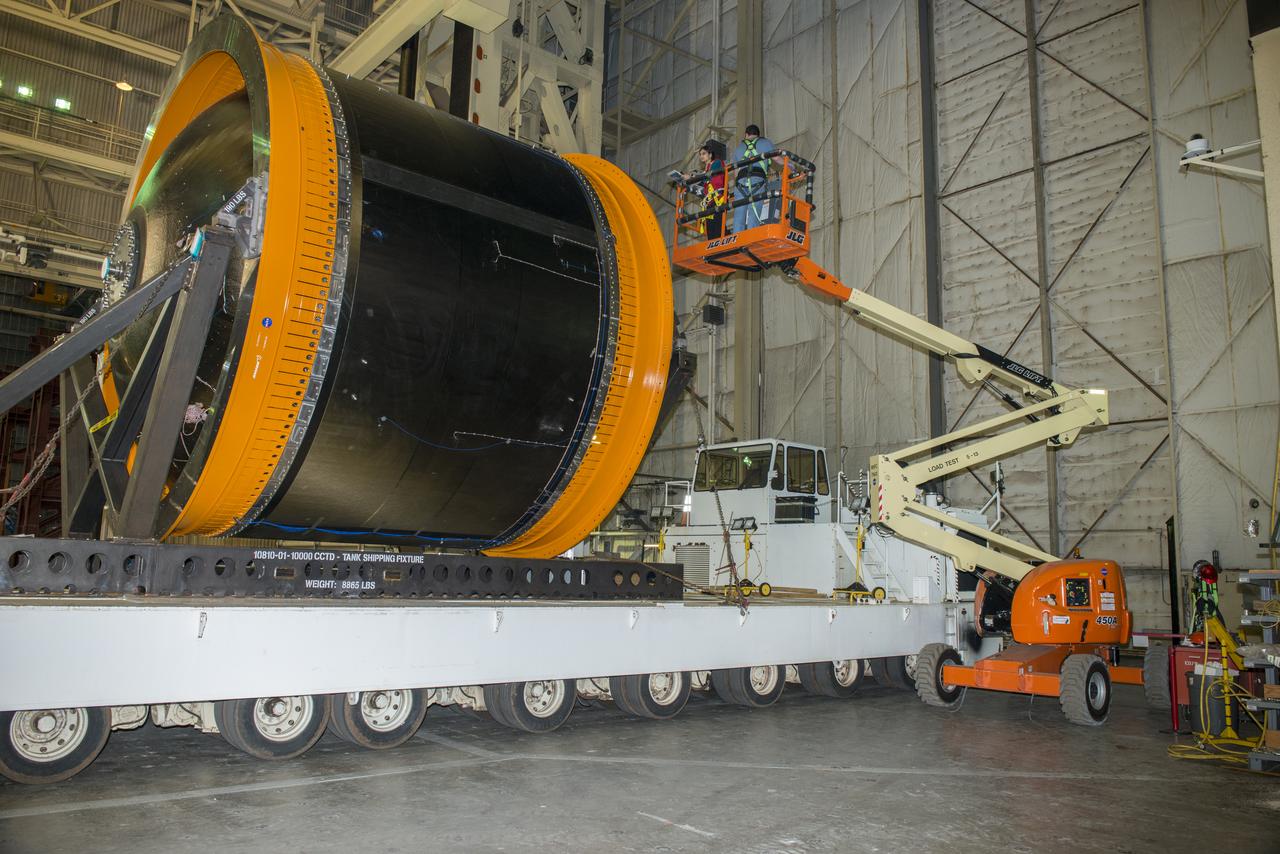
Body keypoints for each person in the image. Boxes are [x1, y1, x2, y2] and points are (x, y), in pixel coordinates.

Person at [732, 124, 779, 232]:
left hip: (740, 182)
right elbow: (777, 158)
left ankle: (737, 237)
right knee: (754, 212)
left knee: (739, 213)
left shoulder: (739, 148)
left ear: (746, 134)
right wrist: (790, 165)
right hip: (757, 179)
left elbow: (735, 172)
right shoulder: (765, 143)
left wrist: (737, 184)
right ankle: (751, 236)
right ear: (758, 135)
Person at [681, 139, 729, 239]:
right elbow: (703, 182)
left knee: (718, 224)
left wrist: (692, 177)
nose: (701, 156)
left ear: (710, 155)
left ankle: (725, 240)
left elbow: (708, 176)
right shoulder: (707, 168)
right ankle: (713, 245)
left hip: (718, 199)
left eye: (704, 153)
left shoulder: (717, 163)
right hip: (710, 201)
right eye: (700, 154)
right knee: (711, 228)